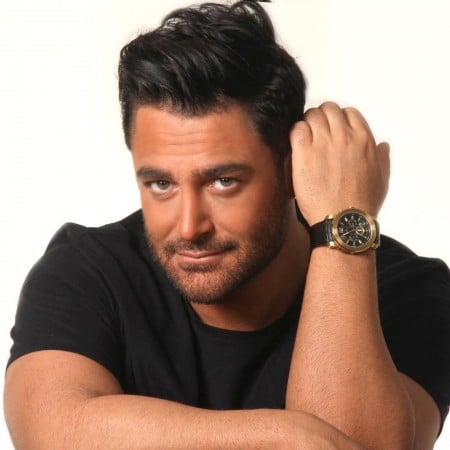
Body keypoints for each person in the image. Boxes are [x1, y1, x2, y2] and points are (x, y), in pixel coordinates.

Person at [4, 1, 450, 448]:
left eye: (223, 181)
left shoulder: (408, 291)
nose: (189, 226)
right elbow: (55, 433)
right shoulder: (88, 272)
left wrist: (345, 228)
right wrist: (281, 434)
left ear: (294, 171)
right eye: (161, 184)